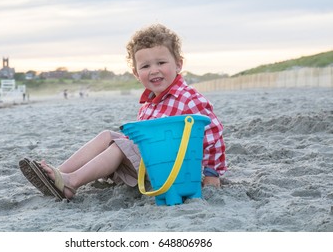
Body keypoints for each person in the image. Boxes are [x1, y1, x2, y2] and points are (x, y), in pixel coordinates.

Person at [20, 24, 226, 200]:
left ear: (178, 64)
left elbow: (213, 134)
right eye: (145, 66)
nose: (154, 70)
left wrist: (211, 174)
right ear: (137, 73)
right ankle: (59, 173)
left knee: (122, 145)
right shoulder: (149, 104)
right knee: (107, 136)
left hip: (176, 173)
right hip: (153, 166)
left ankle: (71, 182)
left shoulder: (188, 97)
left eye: (161, 63)